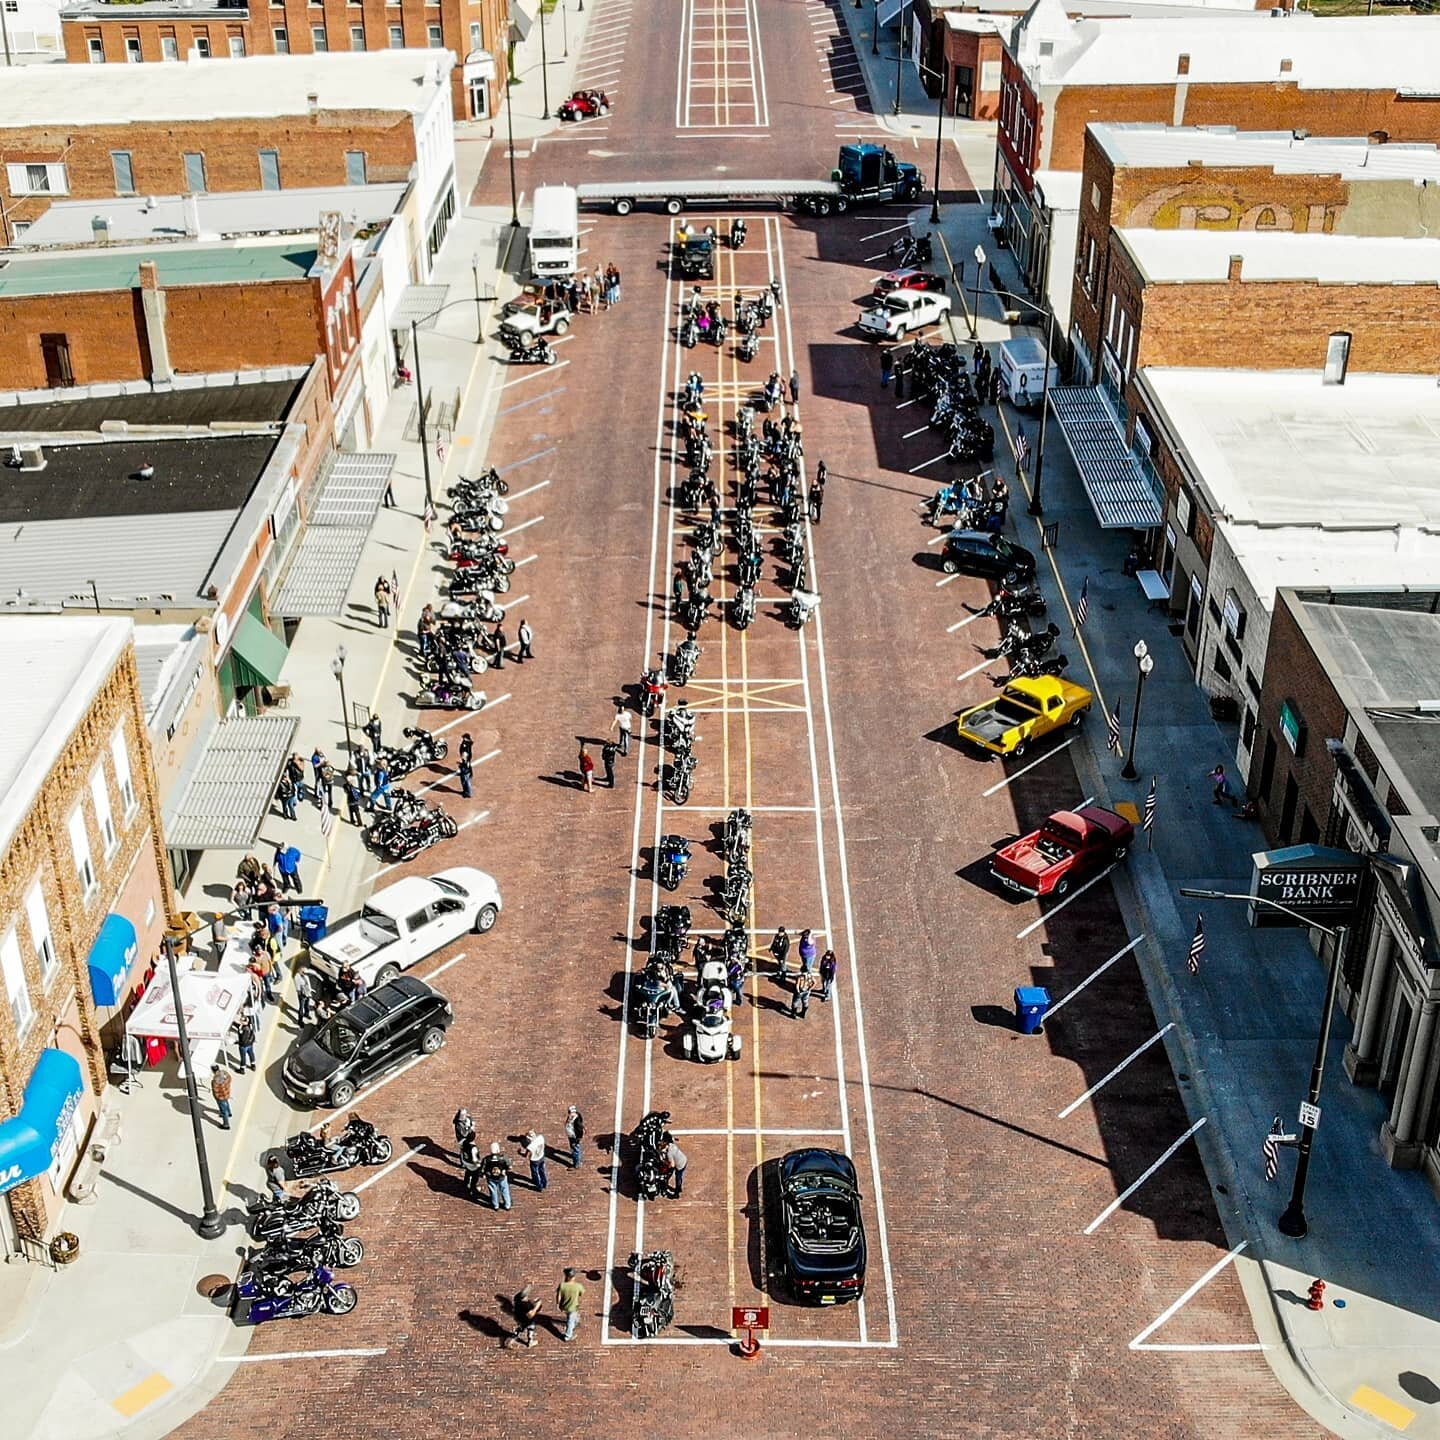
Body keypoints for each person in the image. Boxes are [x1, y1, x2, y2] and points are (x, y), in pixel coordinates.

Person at [556, 1268, 585, 1342]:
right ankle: (568, 1336)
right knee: (570, 1321)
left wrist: (557, 1304)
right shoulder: (578, 1286)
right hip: (573, 1307)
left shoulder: (562, 1285)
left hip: (564, 1306)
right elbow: (582, 1293)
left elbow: (558, 1296)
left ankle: (572, 1325)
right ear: (573, 1277)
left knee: (571, 1318)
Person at [482, 1142, 513, 1210]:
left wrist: (484, 1174)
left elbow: (483, 1169)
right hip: (502, 1177)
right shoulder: (503, 1158)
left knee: (493, 1191)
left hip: (491, 1177)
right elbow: (510, 1166)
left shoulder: (486, 1159)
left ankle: (495, 1205)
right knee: (505, 1190)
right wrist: (505, 1170)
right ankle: (507, 1205)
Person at [460, 1135, 483, 1200]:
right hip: (473, 1165)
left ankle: (466, 1183)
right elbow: (474, 1160)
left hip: (466, 1162)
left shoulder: (463, 1142)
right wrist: (479, 1164)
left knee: (468, 1173)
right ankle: (473, 1189)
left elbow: (461, 1151)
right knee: (474, 1177)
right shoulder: (473, 1148)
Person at [210, 1063, 233, 1129]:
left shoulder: (215, 1081)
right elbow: (230, 1078)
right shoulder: (224, 1073)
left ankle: (226, 1125)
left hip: (221, 1097)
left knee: (223, 1110)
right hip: (227, 1093)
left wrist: (216, 1097)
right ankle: (229, 1113)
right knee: (226, 1103)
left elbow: (216, 1091)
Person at [565, 1105, 585, 1170]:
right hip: (571, 1135)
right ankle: (578, 1158)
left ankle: (576, 1164)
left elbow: (580, 1129)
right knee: (575, 1148)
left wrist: (578, 1138)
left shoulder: (576, 1119)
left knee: (575, 1149)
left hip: (574, 1137)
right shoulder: (571, 1117)